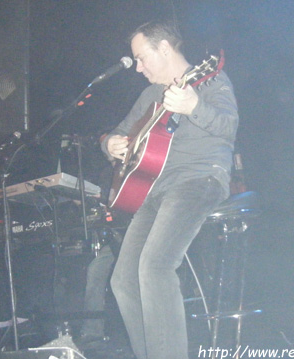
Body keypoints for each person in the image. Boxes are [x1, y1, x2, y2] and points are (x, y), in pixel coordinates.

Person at [100, 21, 239, 359]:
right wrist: (110, 145)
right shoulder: (150, 95)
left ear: (164, 49)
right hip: (155, 190)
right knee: (122, 279)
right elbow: (116, 133)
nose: (139, 67)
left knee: (155, 267)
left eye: (142, 58)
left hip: (199, 178)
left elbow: (228, 127)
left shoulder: (210, 78)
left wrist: (194, 107)